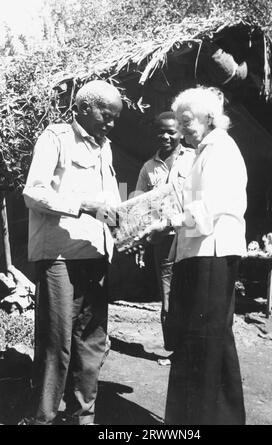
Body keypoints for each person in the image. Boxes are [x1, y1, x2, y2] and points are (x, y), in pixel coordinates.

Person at [20, 80, 123, 425]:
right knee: (57, 342)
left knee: (92, 342)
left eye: (114, 119)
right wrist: (81, 205)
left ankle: (83, 416)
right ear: (82, 108)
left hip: (95, 254)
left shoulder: (106, 148)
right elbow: (33, 192)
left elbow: (111, 200)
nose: (110, 124)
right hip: (60, 256)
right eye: (106, 116)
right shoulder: (57, 138)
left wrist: (128, 219)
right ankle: (43, 417)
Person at [164, 86, 247, 425]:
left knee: (205, 341)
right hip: (197, 253)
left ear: (209, 118)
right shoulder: (201, 152)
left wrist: (169, 220)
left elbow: (206, 211)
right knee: (208, 340)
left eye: (186, 121)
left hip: (211, 253)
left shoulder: (221, 150)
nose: (181, 128)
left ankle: (199, 421)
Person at [135, 111, 195, 356]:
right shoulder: (148, 168)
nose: (166, 136)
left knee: (193, 290)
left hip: (192, 234)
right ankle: (173, 349)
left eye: (171, 131)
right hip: (164, 239)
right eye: (161, 131)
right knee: (168, 294)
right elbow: (136, 201)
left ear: (181, 132)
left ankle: (192, 349)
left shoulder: (194, 158)